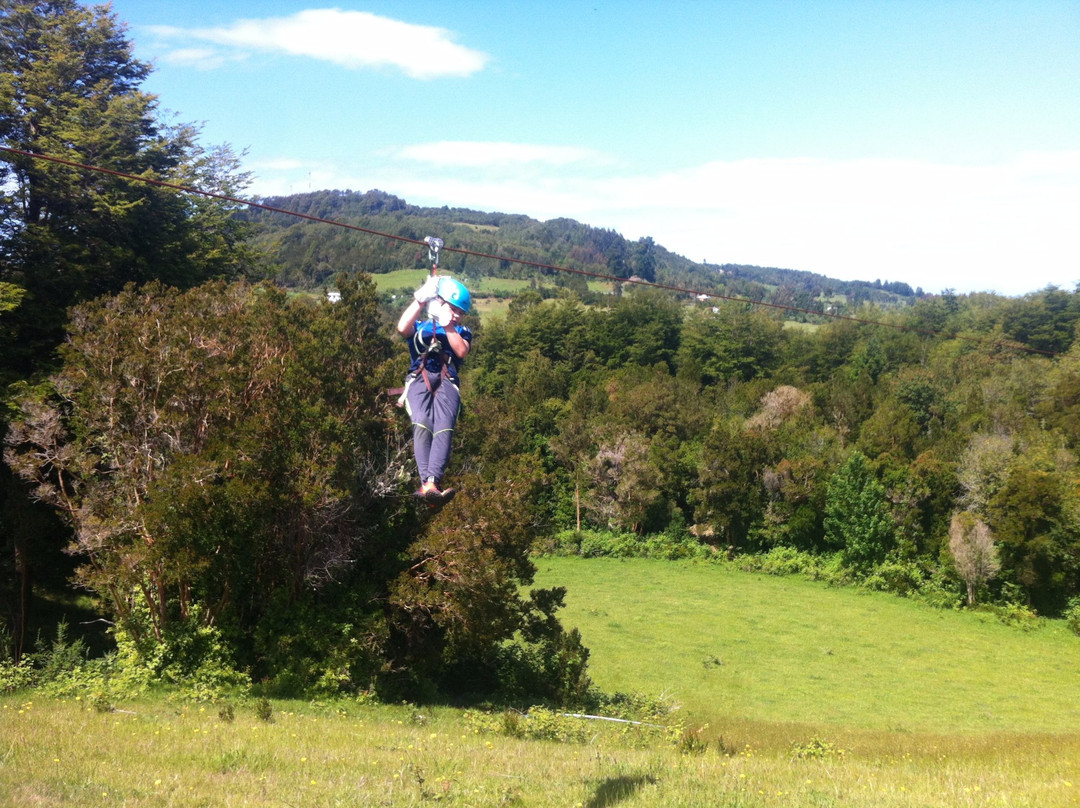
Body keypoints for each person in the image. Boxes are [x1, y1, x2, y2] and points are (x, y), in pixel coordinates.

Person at [396, 274, 472, 503]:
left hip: (447, 379)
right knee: (422, 422)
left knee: (444, 426)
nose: (457, 315)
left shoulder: (461, 331)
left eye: (460, 312)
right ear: (440, 302)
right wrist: (420, 300)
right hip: (419, 377)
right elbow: (402, 328)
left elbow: (461, 351)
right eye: (453, 308)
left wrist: (448, 323)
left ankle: (432, 482)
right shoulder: (421, 327)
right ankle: (425, 484)